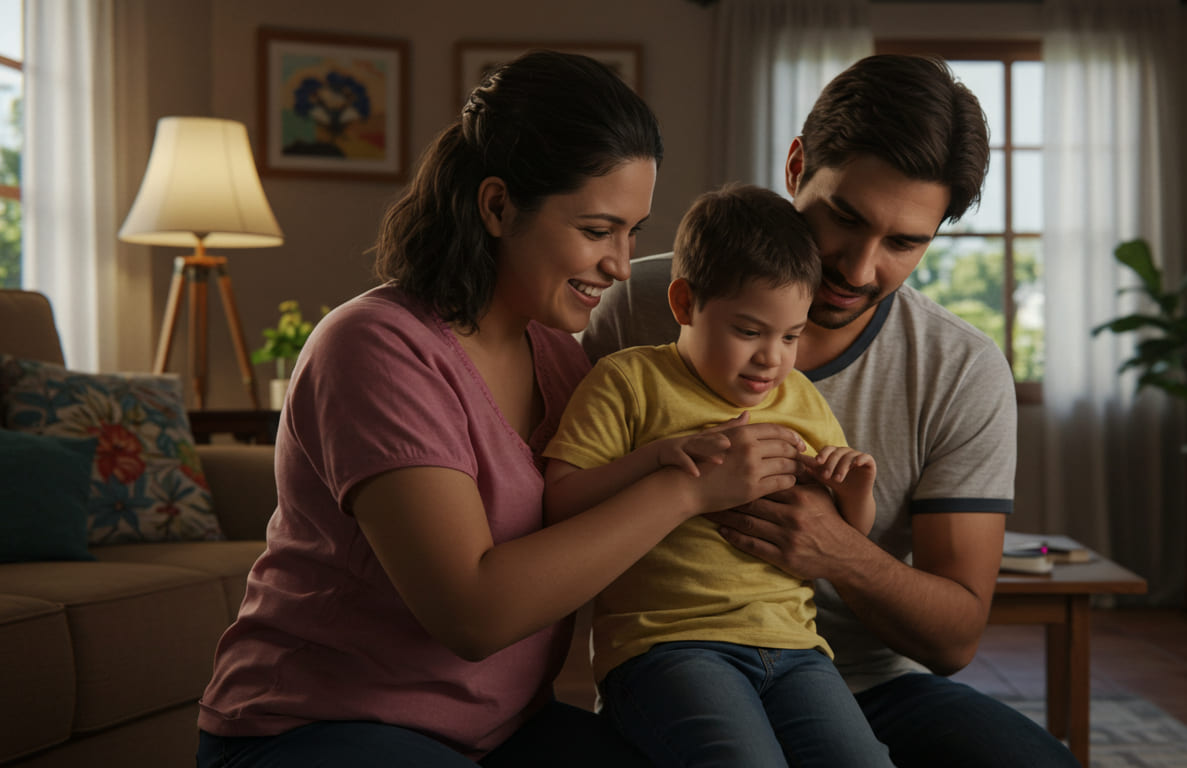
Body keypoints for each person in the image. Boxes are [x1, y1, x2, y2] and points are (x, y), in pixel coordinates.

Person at [195, 51, 807, 768]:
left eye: (632, 232)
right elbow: (473, 614)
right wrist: (687, 489)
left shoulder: (555, 353)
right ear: (497, 206)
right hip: (316, 726)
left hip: (506, 731)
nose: (619, 263)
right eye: (597, 229)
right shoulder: (374, 349)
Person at [582, 54, 1083, 768]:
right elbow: (556, 501)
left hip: (862, 683)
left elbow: (955, 637)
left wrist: (836, 549)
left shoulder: (960, 368)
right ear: (796, 167)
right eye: (844, 217)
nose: (858, 267)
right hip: (679, 665)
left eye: (905, 243)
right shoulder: (640, 302)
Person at [543, 183, 892, 767]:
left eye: (791, 336)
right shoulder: (627, 381)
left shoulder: (800, 399)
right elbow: (559, 503)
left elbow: (845, 539)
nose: (771, 359)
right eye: (749, 331)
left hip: (797, 648)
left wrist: (854, 493)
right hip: (668, 646)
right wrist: (660, 458)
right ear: (685, 304)